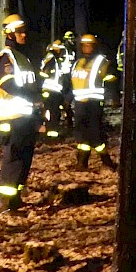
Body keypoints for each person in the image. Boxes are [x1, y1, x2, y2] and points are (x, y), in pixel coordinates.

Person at [0, 13, 41, 212]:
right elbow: (8, 84)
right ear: (9, 33)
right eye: (20, 31)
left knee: (24, 160)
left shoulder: (23, 58)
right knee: (13, 161)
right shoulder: (6, 57)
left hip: (27, 117)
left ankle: (16, 198)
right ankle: (5, 203)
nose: (24, 35)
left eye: (24, 31)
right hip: (14, 117)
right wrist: (32, 97)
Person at [70, 33, 116, 171]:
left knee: (95, 134)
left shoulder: (102, 62)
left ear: (94, 46)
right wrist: (67, 100)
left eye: (89, 45)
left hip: (93, 104)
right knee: (81, 134)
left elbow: (111, 80)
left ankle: (105, 161)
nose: (87, 48)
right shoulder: (77, 63)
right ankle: (82, 162)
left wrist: (114, 96)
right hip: (79, 104)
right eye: (84, 45)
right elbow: (71, 83)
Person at [39, 38, 70, 139]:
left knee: (52, 111)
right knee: (52, 111)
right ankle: (50, 133)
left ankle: (49, 132)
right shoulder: (51, 57)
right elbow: (44, 72)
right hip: (50, 89)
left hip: (53, 90)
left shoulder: (55, 59)